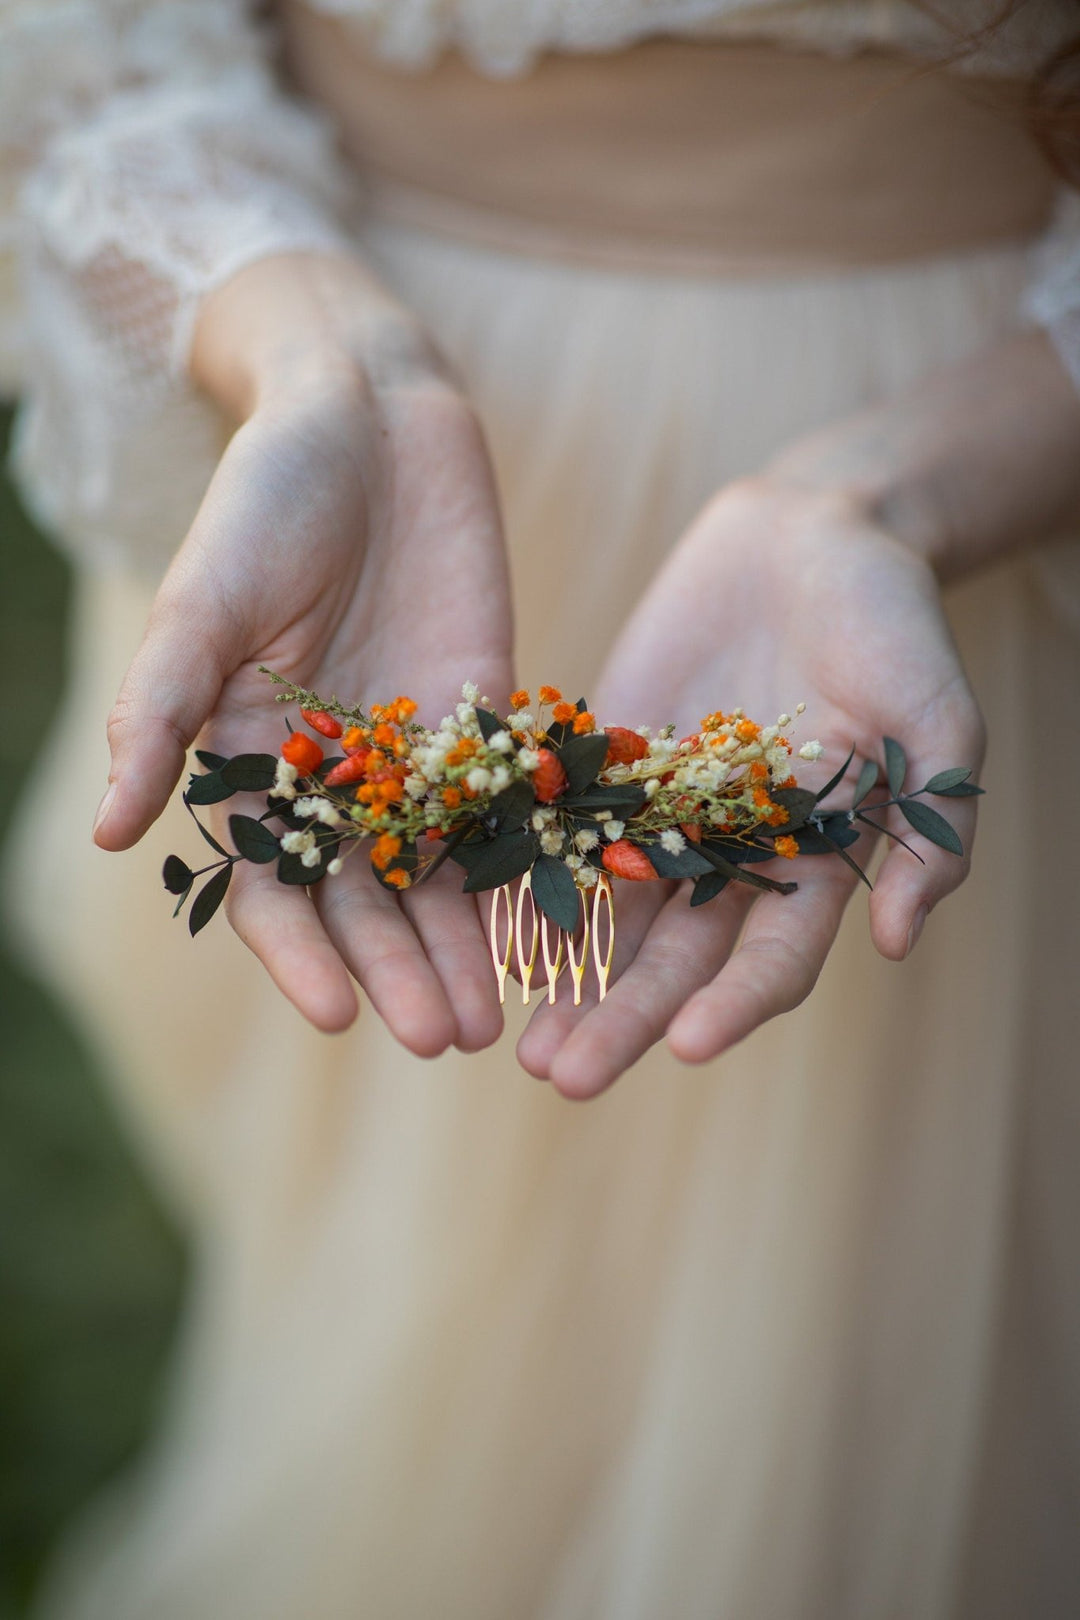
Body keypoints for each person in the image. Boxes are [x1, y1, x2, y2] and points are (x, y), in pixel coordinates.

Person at [2, 2, 1079, 1615]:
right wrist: (309, 350)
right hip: (374, 507)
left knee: (870, 1323)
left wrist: (895, 491)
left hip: (944, 468)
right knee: (422, 1271)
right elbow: (80, 63)